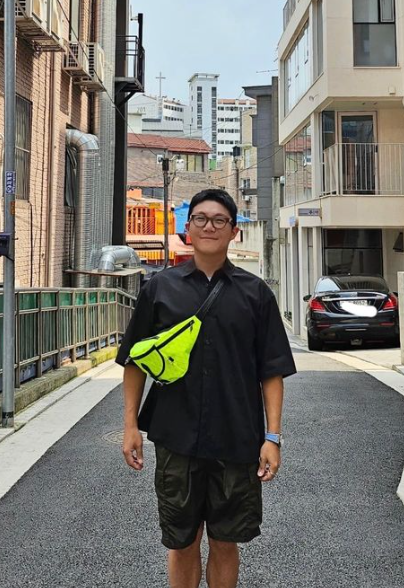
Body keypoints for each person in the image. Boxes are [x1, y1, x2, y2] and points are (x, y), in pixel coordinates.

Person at [116, 189, 296, 588]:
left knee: (226, 542)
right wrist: (130, 426)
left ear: (234, 231)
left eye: (219, 220)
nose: (209, 226)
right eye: (200, 218)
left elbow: (272, 372)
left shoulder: (256, 294)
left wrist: (272, 437)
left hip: (238, 438)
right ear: (187, 228)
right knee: (182, 543)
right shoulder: (159, 289)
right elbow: (134, 361)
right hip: (176, 436)